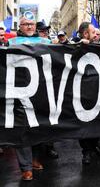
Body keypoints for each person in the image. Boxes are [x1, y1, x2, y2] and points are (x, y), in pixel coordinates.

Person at [8, 15, 51, 181]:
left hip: (40, 91)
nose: (29, 27)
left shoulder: (45, 42)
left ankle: (35, 159)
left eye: (31, 24)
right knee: (22, 129)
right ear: (20, 26)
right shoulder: (11, 43)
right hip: (18, 91)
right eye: (25, 24)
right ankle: (25, 167)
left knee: (38, 127)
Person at [75, 22, 100, 164]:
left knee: (98, 122)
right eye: (93, 32)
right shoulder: (76, 45)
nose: (96, 34)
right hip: (81, 93)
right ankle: (86, 151)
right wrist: (78, 45)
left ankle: (95, 145)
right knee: (84, 124)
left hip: (98, 91)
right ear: (85, 34)